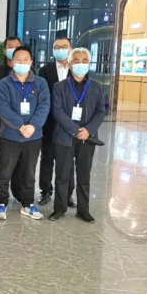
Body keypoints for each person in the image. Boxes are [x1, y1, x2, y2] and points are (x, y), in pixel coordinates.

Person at [49, 48, 105, 223]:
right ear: (70, 64)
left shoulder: (97, 87)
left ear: (89, 63)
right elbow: (57, 111)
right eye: (76, 61)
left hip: (87, 138)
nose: (80, 64)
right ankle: (59, 208)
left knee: (84, 175)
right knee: (62, 175)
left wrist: (88, 130)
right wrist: (75, 130)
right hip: (64, 137)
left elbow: (101, 111)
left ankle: (83, 210)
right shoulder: (59, 87)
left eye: (84, 61)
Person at [0, 46, 50, 220]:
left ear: (31, 61)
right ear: (12, 61)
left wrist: (33, 126)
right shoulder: (4, 83)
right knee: (4, 171)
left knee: (28, 172)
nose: (22, 62)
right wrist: (20, 126)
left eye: (26, 59)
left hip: (33, 136)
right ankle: (1, 203)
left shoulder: (40, 83)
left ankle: (27, 204)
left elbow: (44, 106)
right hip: (10, 135)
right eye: (18, 59)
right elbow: (2, 107)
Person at [38, 37, 76, 207]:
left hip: (70, 123)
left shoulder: (76, 69)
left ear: (70, 48)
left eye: (64, 46)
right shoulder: (45, 70)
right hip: (49, 122)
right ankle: (46, 191)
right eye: (57, 47)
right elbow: (41, 95)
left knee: (68, 161)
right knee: (47, 158)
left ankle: (67, 194)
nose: (60, 49)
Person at [0, 36, 23, 203]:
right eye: (10, 46)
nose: (13, 49)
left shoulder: (30, 72)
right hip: (1, 122)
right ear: (4, 50)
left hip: (24, 123)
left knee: (21, 156)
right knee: (2, 156)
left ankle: (18, 190)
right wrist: (8, 115)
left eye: (17, 46)